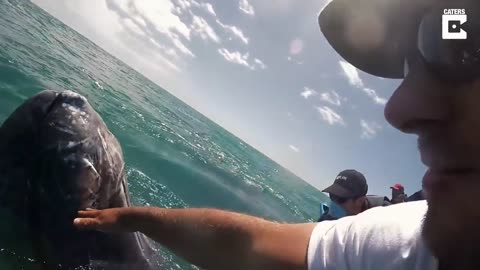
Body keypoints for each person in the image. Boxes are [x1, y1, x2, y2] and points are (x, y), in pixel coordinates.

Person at [73, 0, 480, 269]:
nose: (398, 109)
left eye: (458, 45)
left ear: (358, 201)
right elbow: (249, 243)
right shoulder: (403, 241)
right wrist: (132, 216)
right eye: (409, 69)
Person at [318, 169, 389, 221]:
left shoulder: (383, 214)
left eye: (340, 199)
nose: (334, 203)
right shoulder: (329, 216)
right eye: (332, 196)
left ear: (360, 201)